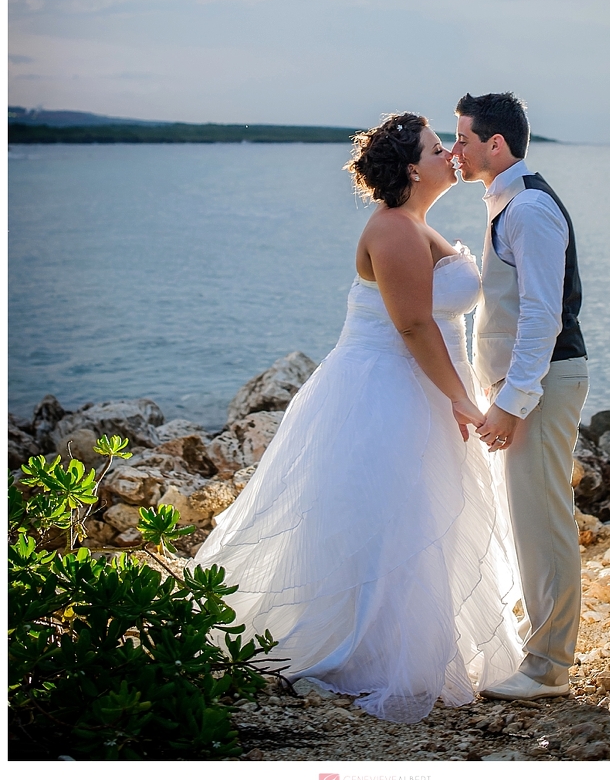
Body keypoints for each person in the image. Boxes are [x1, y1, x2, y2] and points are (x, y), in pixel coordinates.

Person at [195, 113, 523, 723]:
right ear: (409, 168)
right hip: (386, 390)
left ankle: (417, 638)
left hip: (418, 384)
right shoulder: (394, 229)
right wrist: (461, 398)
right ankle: (373, 653)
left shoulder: (417, 223)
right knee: (392, 515)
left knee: (419, 512)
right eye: (434, 147)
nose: (449, 153)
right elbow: (413, 324)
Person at [452, 91, 588, 701]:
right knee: (528, 515)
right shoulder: (507, 200)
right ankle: (540, 644)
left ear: (495, 144)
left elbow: (542, 316)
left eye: (462, 138)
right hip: (525, 384)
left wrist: (512, 401)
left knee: (542, 518)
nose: (455, 149)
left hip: (541, 383)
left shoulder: (529, 208)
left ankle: (548, 668)